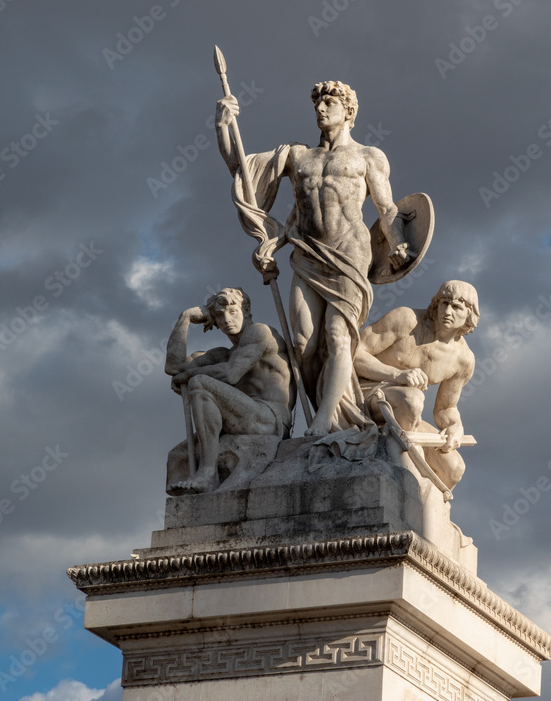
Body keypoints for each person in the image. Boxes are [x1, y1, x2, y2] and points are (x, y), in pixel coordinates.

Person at [216, 81, 408, 438]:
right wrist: (223, 126)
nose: (321, 109)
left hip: (350, 254)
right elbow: (241, 169)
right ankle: (322, 410)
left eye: (330, 102)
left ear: (349, 111)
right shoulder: (297, 155)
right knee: (303, 343)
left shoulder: (368, 156)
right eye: (318, 103)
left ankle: (324, 420)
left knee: (338, 336)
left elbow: (387, 209)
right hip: (306, 253)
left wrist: (397, 242)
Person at [165, 288, 295, 494]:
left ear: (246, 310)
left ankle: (208, 474)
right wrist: (185, 318)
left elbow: (231, 374)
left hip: (271, 419)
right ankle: (205, 475)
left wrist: (188, 376)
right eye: (219, 315)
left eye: (233, 311)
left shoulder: (260, 331)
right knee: (178, 454)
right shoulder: (223, 354)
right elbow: (173, 368)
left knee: (199, 381)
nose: (226, 319)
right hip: (247, 417)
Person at [354, 280, 479, 490]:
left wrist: (455, 427)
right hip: (364, 397)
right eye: (444, 303)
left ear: (469, 314)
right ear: (436, 304)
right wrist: (396, 374)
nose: (448, 311)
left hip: (407, 416)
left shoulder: (463, 360)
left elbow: (445, 408)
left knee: (454, 468)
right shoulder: (407, 320)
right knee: (412, 398)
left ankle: (424, 513)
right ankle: (399, 475)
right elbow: (354, 351)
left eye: (457, 307)